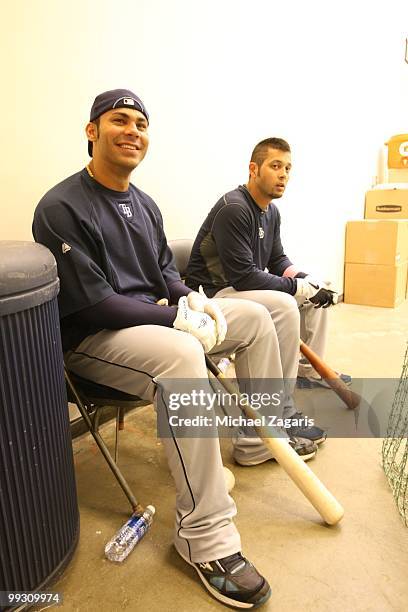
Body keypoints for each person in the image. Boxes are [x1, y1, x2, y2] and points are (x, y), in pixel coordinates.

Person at [32, 91, 317, 609]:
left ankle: (256, 441)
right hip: (91, 343)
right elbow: (95, 307)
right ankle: (205, 537)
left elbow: (165, 273)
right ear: (92, 131)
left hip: (151, 325)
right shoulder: (61, 207)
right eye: (118, 120)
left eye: (141, 123)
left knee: (258, 313)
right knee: (180, 355)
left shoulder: (144, 204)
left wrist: (196, 302)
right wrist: (175, 319)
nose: (132, 131)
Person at [186, 137, 351, 389]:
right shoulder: (234, 208)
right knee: (285, 303)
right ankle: (279, 404)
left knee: (315, 296)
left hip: (241, 288)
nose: (283, 175)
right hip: (214, 293)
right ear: (254, 169)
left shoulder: (271, 211)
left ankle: (307, 374)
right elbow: (244, 277)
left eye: (287, 168)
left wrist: (307, 281)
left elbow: (277, 260)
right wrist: (299, 288)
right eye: (275, 166)